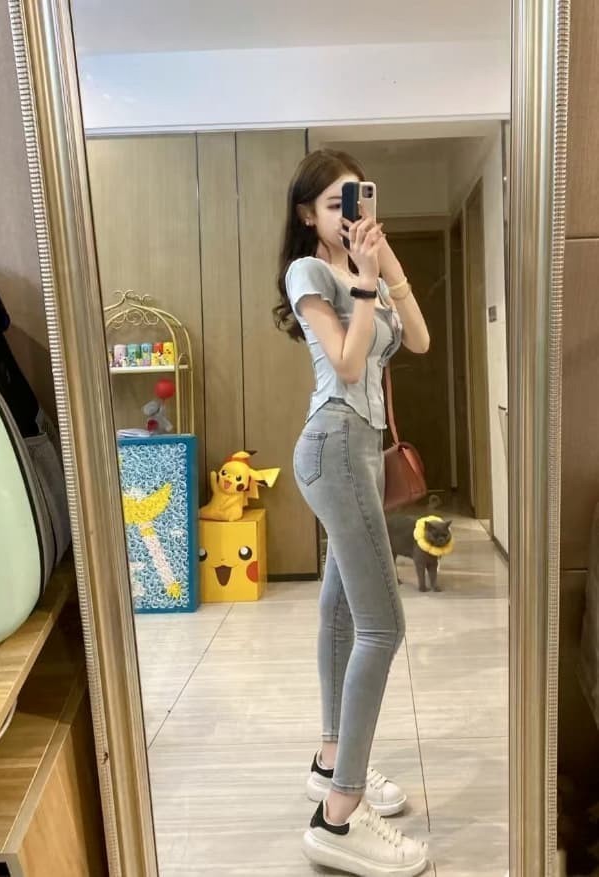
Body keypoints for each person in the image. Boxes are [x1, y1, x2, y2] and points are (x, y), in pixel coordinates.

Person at [274, 149, 430, 876]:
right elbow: (344, 361)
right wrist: (364, 282)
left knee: (341, 611)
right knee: (382, 625)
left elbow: (418, 339)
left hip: (360, 449)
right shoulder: (309, 272)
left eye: (357, 199)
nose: (349, 214)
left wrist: (384, 261)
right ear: (308, 213)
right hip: (333, 443)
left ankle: (331, 757)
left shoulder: (366, 270)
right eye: (335, 203)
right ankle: (340, 812)